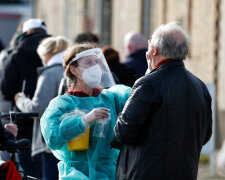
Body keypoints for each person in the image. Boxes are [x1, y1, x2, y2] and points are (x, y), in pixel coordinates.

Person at [112, 21, 212, 180]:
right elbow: (205, 135)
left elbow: (124, 132)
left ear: (154, 50)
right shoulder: (200, 86)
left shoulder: (148, 83)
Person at [40, 43, 131, 179]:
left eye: (96, 62)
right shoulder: (62, 104)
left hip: (109, 173)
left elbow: (137, 101)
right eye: (88, 62)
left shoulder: (110, 98)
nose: (95, 67)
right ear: (74, 70)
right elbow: (52, 138)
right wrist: (83, 121)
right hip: (77, 174)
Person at [0, 18, 50, 178]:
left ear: (26, 32)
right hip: (51, 118)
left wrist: (19, 98)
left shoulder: (16, 54)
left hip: (23, 118)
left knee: (27, 168)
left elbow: (6, 90)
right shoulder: (56, 50)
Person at [14, 36, 69, 180]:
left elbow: (38, 109)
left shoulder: (49, 74)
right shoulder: (69, 70)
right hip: (70, 137)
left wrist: (21, 100)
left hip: (51, 140)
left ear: (47, 54)